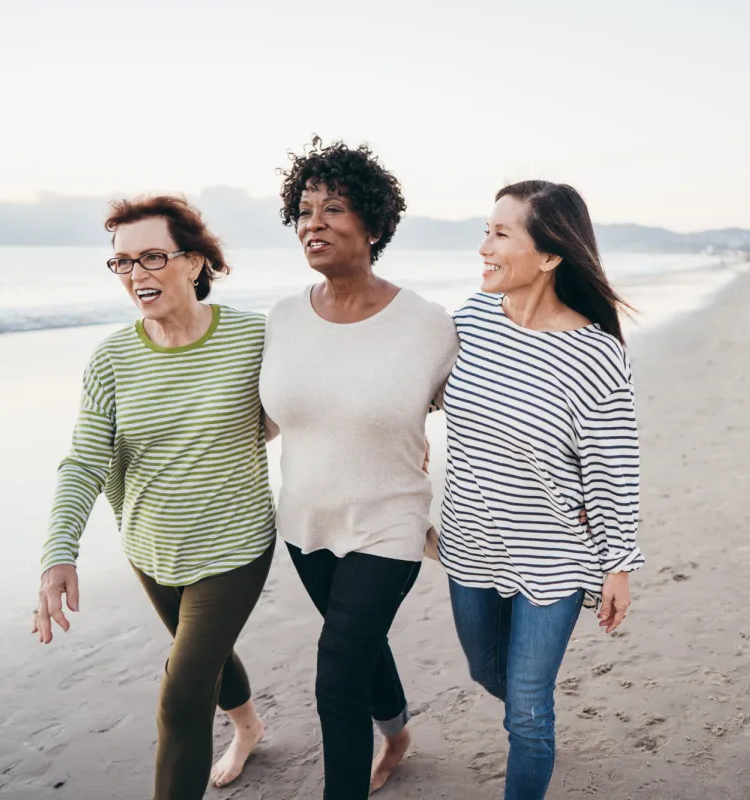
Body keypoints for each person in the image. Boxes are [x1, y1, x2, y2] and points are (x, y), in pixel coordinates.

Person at [32, 196, 277, 800]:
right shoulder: (112, 359)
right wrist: (58, 551)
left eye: (152, 256)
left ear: (194, 263)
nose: (137, 274)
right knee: (206, 655)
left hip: (236, 546)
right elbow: (85, 459)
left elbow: (321, 398)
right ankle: (248, 728)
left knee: (183, 691)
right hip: (150, 548)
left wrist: (404, 438)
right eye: (122, 263)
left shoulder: (255, 337)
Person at [259, 137, 458, 799]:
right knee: (359, 644)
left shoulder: (427, 324)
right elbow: (261, 422)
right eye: (304, 210)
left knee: (336, 675)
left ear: (372, 224)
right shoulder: (283, 319)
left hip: (389, 523)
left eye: (333, 208)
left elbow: (478, 417)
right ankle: (397, 732)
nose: (312, 222)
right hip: (305, 523)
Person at [439, 181, 643, 800]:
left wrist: (619, 566)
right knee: (485, 670)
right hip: (470, 543)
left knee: (528, 710)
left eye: (501, 234)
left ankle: (535, 737)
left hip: (554, 557)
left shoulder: (595, 355)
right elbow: (418, 392)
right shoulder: (469, 320)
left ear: (550, 256)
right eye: (486, 230)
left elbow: (615, 471)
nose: (484, 247)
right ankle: (535, 724)